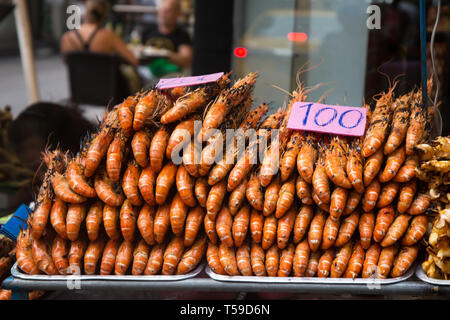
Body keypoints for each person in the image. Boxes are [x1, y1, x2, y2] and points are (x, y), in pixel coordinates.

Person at [60, 0, 141, 93]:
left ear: (85, 13)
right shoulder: (109, 36)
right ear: (105, 16)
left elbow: (66, 62)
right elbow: (134, 61)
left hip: (79, 91)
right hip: (107, 92)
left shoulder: (67, 37)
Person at [142, 0, 193, 77]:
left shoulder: (182, 35)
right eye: (162, 10)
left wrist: (166, 55)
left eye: (168, 11)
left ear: (177, 14)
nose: (163, 14)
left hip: (170, 75)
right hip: (146, 72)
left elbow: (187, 60)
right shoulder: (148, 30)